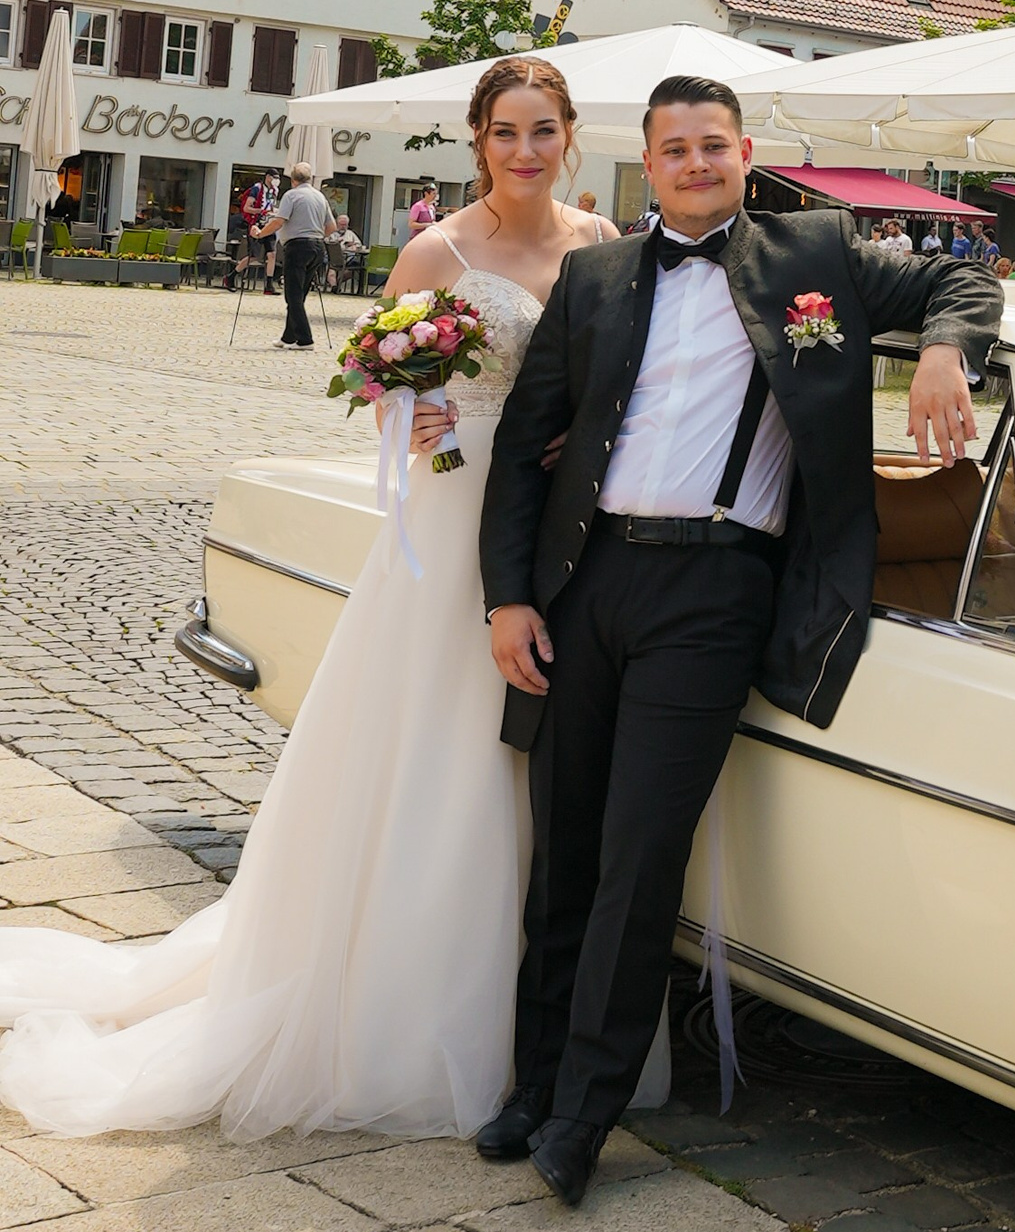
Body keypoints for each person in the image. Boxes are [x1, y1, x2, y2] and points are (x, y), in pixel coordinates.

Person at [0, 60, 617, 1137]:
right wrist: (414, 418)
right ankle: (411, 990)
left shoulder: (603, 244)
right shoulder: (439, 249)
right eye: (507, 129)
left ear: (572, 135)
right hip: (454, 508)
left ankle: (542, 979)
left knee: (543, 751)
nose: (526, 148)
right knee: (445, 738)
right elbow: (382, 379)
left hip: (569, 524)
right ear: (478, 138)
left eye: (545, 129)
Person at [478, 73, 1000, 1206]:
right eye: (675, 148)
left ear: (744, 150)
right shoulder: (598, 272)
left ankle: (583, 1114)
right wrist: (506, 597)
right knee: (562, 846)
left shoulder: (815, 252)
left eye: (714, 144)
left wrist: (947, 350)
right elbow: (527, 441)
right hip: (586, 579)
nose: (696, 162)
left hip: (717, 591)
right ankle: (531, 1083)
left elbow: (963, 272)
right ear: (649, 162)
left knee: (638, 854)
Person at [273, 162, 334, 347]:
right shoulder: (320, 197)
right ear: (310, 179)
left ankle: (305, 339)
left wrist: (260, 233)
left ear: (293, 180)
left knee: (292, 295)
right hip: (317, 246)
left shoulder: (291, 196)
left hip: (297, 247)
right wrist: (315, 235)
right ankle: (288, 337)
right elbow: (331, 227)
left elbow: (279, 221)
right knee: (300, 294)